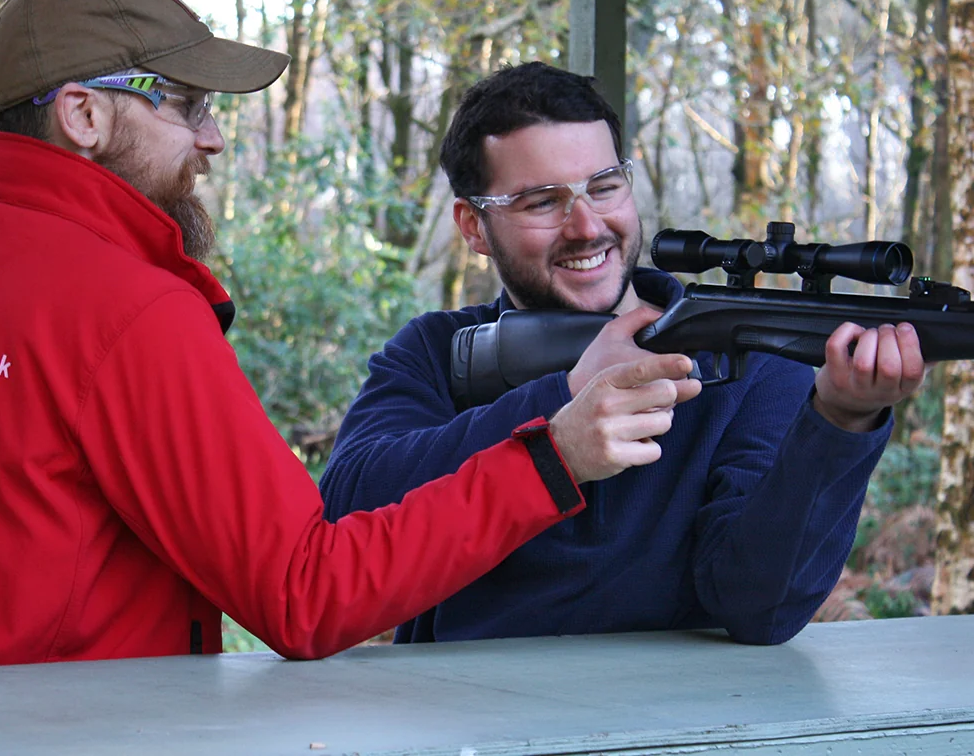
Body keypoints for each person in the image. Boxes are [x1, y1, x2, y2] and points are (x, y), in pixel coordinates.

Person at [0, 0, 703, 667]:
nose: (212, 138)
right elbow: (306, 593)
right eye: (188, 105)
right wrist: (555, 454)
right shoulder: (129, 310)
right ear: (85, 115)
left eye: (605, 186)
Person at [320, 61, 926, 646]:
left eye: (604, 188)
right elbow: (344, 510)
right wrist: (559, 411)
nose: (587, 226)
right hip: (467, 729)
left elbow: (759, 608)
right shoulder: (436, 351)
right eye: (541, 202)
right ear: (474, 227)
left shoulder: (752, 362)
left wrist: (844, 420)